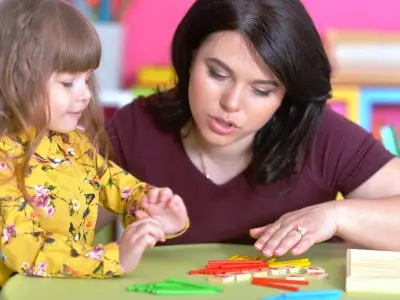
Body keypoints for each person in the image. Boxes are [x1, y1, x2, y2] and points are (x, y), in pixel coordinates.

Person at [102, 0, 400, 258]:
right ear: (191, 57)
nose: (231, 103)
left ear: (286, 93)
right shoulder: (137, 127)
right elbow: (61, 219)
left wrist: (337, 215)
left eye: (261, 90)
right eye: (218, 74)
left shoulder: (320, 134)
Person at [0, 0, 189, 287]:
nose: (85, 95)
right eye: (67, 83)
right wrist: (113, 257)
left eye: (87, 80)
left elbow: (117, 185)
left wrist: (154, 208)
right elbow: (23, 249)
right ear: (16, 79)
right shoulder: (4, 159)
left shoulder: (73, 143)